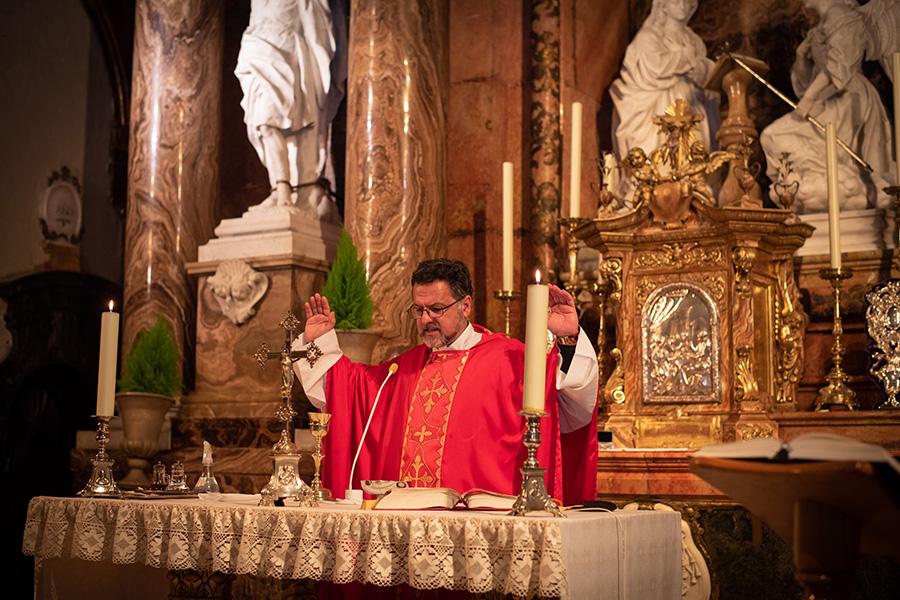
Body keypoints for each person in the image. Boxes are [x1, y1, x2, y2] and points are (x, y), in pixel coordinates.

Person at [293, 259, 599, 504]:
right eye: (419, 310)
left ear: (465, 306)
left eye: (437, 309)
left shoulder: (510, 359)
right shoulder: (402, 369)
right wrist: (316, 342)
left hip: (482, 528)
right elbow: (351, 391)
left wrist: (568, 340)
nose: (426, 319)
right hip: (407, 528)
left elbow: (570, 407)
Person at [760, 0, 895, 213]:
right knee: (771, 135)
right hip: (823, 100)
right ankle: (811, 179)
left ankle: (834, 179)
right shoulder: (819, 28)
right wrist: (801, 58)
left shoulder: (843, 16)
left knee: (774, 135)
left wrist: (810, 99)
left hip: (848, 101)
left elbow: (839, 69)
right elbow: (804, 86)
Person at [609, 0, 719, 201]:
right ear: (663, 4)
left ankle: (693, 193)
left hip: (691, 105)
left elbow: (708, 74)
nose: (682, 5)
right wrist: (689, 62)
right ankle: (655, 193)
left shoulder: (695, 40)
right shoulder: (649, 36)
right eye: (676, 0)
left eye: (688, 0)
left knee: (695, 151)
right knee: (659, 152)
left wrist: (703, 71)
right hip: (657, 103)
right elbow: (656, 67)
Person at [235, 0, 339, 211]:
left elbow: (318, 20)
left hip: (287, 50)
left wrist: (317, 60)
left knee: (280, 120)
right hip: (258, 46)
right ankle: (279, 188)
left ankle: (292, 189)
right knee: (263, 122)